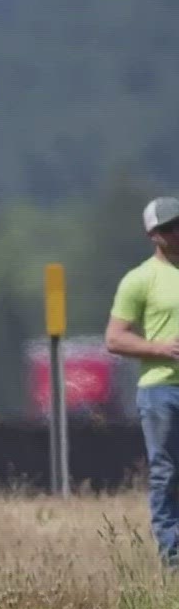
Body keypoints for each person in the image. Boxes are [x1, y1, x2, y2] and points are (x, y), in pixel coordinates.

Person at [105, 196, 179, 569]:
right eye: (168, 228)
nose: (176, 232)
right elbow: (115, 338)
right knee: (167, 473)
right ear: (153, 235)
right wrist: (159, 348)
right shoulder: (139, 280)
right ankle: (174, 557)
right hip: (161, 390)